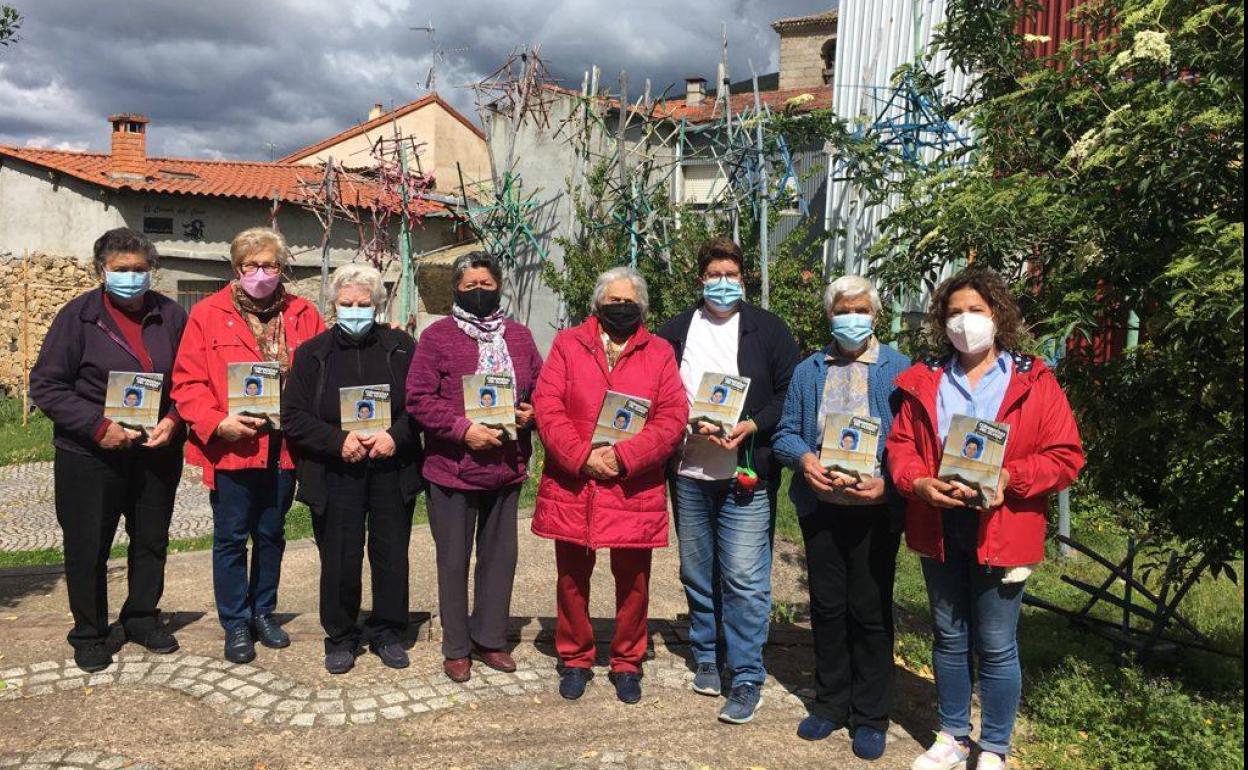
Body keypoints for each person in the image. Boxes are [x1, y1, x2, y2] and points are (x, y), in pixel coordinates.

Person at [887, 267, 1085, 770]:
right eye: (954, 312)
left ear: (998, 315)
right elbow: (902, 447)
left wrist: (1009, 480)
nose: (965, 322)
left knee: (996, 644)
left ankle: (994, 746)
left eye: (976, 310)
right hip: (940, 522)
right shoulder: (925, 380)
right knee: (949, 636)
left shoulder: (1034, 381)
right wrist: (918, 483)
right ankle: (953, 735)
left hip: (1004, 526)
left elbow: (1065, 455)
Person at [30, 228, 188, 673]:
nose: (132, 278)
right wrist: (97, 427)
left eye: (140, 270)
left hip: (155, 451)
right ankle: (90, 632)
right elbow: (47, 385)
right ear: (102, 271)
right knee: (87, 545)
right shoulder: (77, 317)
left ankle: (140, 617)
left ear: (151, 271)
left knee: (151, 540)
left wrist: (175, 419)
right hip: (91, 455)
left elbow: (190, 378)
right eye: (121, 270)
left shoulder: (171, 315)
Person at [656, 238, 800, 723]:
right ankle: (705, 652)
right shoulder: (675, 331)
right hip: (690, 471)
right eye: (715, 274)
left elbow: (788, 393)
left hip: (745, 473)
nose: (723, 283)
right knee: (697, 571)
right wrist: (681, 423)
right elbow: (656, 395)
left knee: (743, 577)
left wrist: (752, 424)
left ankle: (745, 675)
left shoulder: (769, 329)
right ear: (701, 279)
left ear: (744, 279)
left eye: (732, 275)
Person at [533, 266, 688, 705]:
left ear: (641, 307)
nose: (621, 308)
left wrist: (624, 457)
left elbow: (672, 417)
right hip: (575, 483)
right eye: (613, 301)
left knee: (634, 582)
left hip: (632, 485)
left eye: (629, 302)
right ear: (597, 304)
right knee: (571, 580)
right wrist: (583, 458)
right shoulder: (567, 344)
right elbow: (548, 407)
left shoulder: (659, 352)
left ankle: (627, 661)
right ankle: (576, 658)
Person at [772, 275, 911, 760]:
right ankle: (831, 704)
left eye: (860, 309)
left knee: (869, 610)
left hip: (874, 510)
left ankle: (871, 714)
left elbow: (914, 444)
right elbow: (787, 433)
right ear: (829, 316)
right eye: (842, 310)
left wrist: (890, 485)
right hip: (822, 508)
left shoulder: (899, 369)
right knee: (828, 608)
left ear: (875, 315)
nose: (851, 318)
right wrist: (806, 461)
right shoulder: (810, 369)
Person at [172, 226, 325, 663]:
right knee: (232, 537)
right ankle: (235, 621)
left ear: (283, 269)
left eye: (271, 265)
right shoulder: (206, 313)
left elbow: (320, 371)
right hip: (233, 447)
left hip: (284, 447)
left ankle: (264, 612)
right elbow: (188, 382)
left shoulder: (303, 312)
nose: (262, 273)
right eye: (252, 265)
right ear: (237, 268)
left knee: (271, 534)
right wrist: (217, 423)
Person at [405, 251, 543, 682]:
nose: (479, 293)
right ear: (456, 290)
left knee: (500, 560)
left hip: (505, 465)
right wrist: (462, 429)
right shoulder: (437, 337)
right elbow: (418, 398)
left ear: (499, 286)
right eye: (470, 287)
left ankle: (490, 639)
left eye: (486, 285)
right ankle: (456, 646)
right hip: (452, 468)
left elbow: (541, 388)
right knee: (453, 560)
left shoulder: (519, 337)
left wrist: (530, 412)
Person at [282, 264, 423, 674]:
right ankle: (341, 636)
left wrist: (395, 435)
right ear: (333, 305)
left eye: (364, 304)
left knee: (391, 553)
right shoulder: (312, 354)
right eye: (347, 304)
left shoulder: (401, 348)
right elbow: (293, 415)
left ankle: (387, 630)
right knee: (340, 557)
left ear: (378, 305)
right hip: (335, 471)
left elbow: (421, 405)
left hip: (390, 467)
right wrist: (335, 441)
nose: (356, 310)